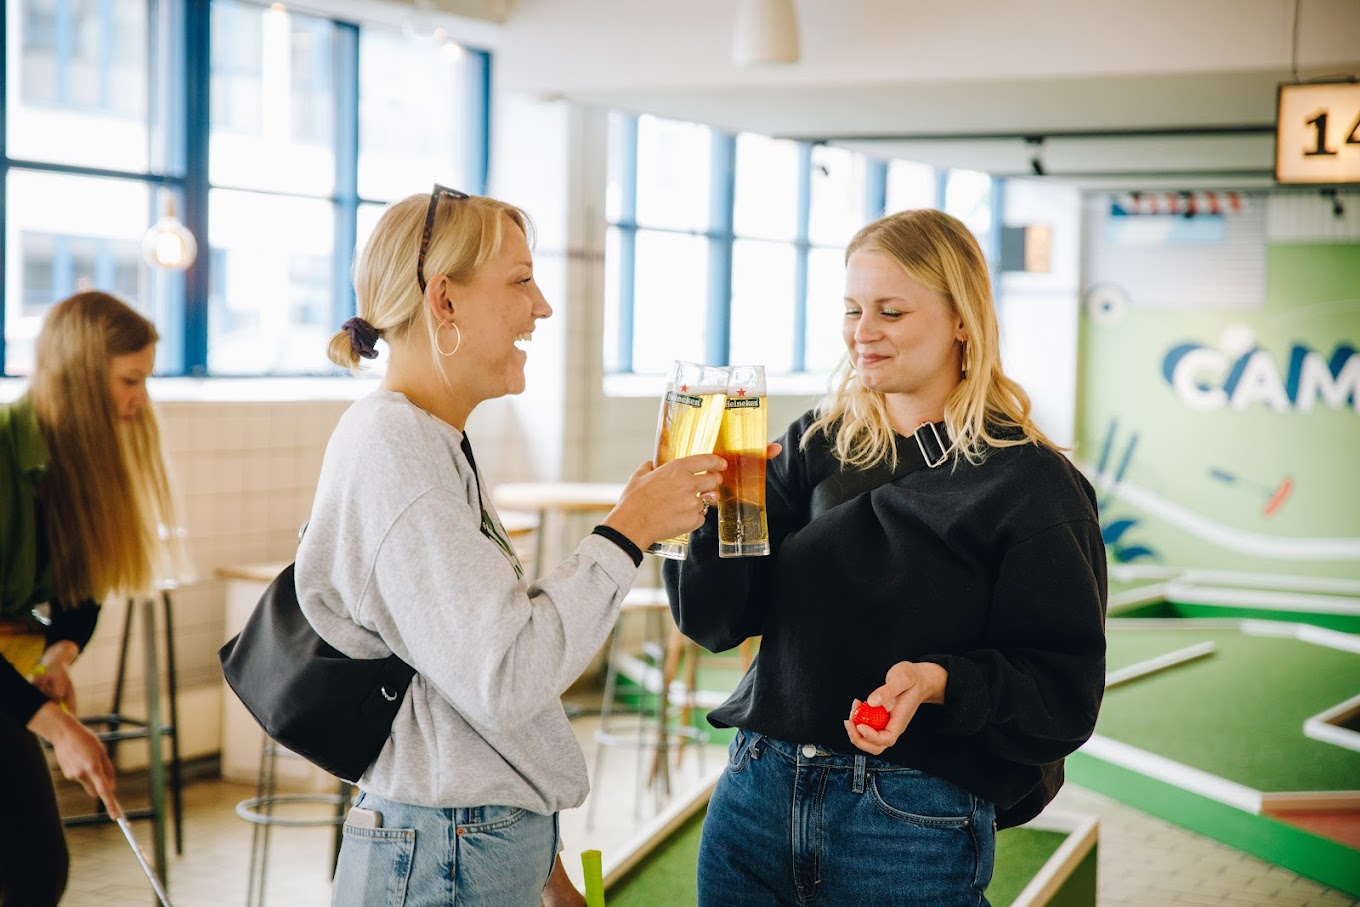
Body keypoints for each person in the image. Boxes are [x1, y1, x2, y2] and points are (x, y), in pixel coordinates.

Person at [664, 208, 1107, 906]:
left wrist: (939, 681)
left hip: (910, 820)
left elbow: (1062, 696)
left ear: (963, 319)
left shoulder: (1032, 485)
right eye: (852, 309)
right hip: (755, 795)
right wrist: (715, 511)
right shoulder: (816, 441)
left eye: (891, 312)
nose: (861, 333)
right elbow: (716, 620)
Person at [295, 186, 724, 907]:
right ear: (445, 302)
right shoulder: (396, 449)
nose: (543, 306)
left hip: (466, 843)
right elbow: (508, 673)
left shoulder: (427, 438)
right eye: (521, 281)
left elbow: (455, 675)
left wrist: (543, 862)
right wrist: (627, 532)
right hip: (443, 853)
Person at [0, 290, 185, 906]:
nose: (139, 401)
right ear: (80, 377)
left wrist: (57, 659)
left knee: (35, 870)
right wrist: (57, 727)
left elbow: (83, 588)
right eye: (129, 380)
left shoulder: (75, 468)